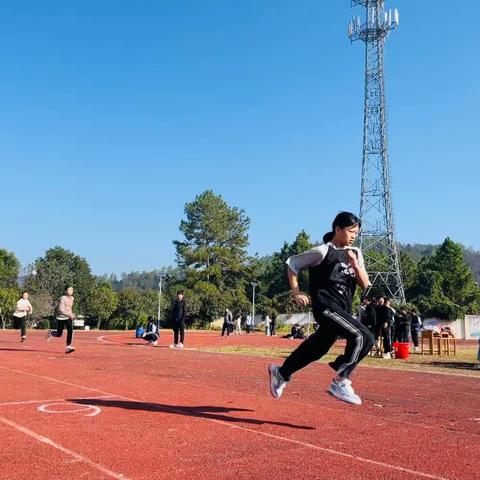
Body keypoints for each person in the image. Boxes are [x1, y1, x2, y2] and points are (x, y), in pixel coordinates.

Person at [268, 212, 374, 406]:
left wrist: (354, 265)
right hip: (326, 307)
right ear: (338, 229)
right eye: (351, 231)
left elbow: (365, 284)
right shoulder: (322, 251)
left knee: (316, 349)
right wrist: (296, 292)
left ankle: (281, 373)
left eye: (356, 233)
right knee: (363, 335)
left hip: (342, 310)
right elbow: (293, 264)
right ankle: (341, 380)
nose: (353, 236)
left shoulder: (356, 253)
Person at [46, 286, 76, 354]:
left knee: (70, 331)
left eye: (72, 290)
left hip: (68, 317)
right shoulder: (63, 298)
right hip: (61, 317)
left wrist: (71, 315)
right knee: (59, 334)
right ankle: (51, 332)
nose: (70, 291)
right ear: (65, 291)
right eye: (69, 290)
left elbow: (70, 308)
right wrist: (70, 315)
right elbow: (61, 310)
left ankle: (68, 346)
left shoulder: (72, 298)